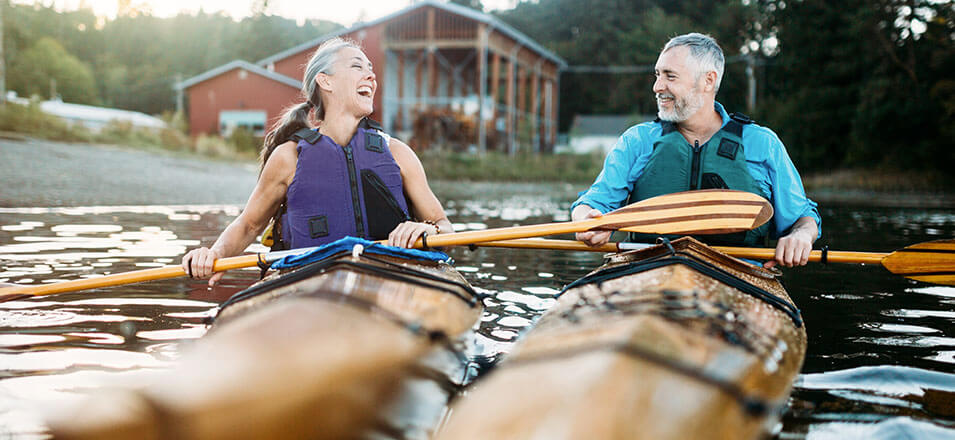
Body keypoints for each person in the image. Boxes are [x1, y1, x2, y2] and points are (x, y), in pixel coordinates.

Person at [182, 37, 453, 285]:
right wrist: (214, 253)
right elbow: (248, 225)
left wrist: (426, 228)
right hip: (310, 282)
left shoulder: (397, 152)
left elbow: (444, 228)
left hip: (392, 279)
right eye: (357, 67)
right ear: (326, 81)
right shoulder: (289, 157)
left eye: (371, 69)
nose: (372, 76)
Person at [572, 33, 821, 269]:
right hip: (648, 270)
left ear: (708, 80)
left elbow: (802, 218)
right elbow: (592, 203)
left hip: (738, 274)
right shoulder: (637, 141)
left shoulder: (763, 143)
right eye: (657, 75)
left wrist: (801, 235)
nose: (657, 86)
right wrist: (586, 221)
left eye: (670, 76)